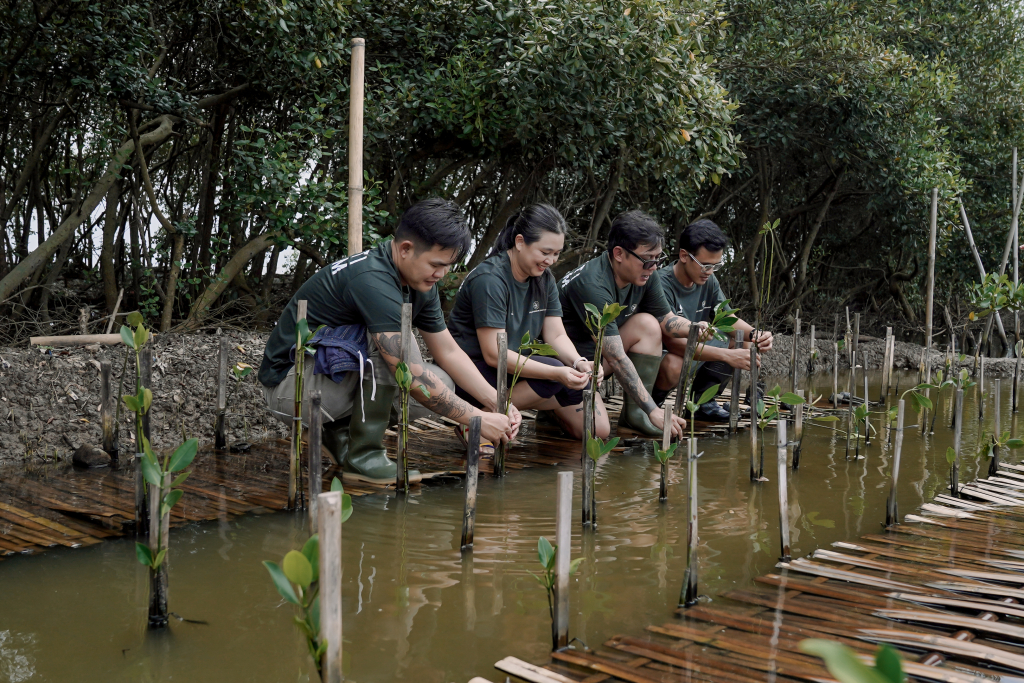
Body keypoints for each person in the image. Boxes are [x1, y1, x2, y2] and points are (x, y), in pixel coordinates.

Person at [258, 198, 521, 484]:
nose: (442, 274)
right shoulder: (373, 279)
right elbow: (414, 380)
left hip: (327, 380)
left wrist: (496, 401)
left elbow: (447, 351)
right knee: (398, 348)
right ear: (406, 249)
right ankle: (364, 456)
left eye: (448, 266)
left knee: (442, 381)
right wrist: (476, 419)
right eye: (436, 264)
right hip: (292, 389)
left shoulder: (419, 280)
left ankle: (339, 434)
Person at [449, 204, 607, 440]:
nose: (551, 260)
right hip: (474, 371)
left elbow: (556, 336)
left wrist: (579, 362)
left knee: (596, 426)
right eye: (545, 252)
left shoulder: (544, 279)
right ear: (520, 242)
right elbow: (494, 354)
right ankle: (478, 419)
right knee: (554, 372)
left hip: (513, 368)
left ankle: (496, 415)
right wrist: (557, 374)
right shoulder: (490, 279)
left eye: (556, 253)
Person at [558, 210, 706, 438]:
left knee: (647, 324)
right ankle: (553, 411)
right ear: (619, 253)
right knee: (598, 432)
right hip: (569, 367)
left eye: (659, 259)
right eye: (648, 259)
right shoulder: (593, 285)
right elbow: (616, 356)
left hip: (597, 364)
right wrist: (653, 409)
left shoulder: (645, 272)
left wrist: (695, 328)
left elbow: (665, 319)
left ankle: (635, 417)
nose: (654, 266)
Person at [653, 218, 773, 421]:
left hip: (696, 349)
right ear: (684, 256)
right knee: (675, 365)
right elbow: (675, 344)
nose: (710, 272)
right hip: (667, 356)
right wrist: (725, 355)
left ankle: (702, 402)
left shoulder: (708, 279)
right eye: (705, 265)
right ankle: (652, 405)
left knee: (743, 340)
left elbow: (727, 319)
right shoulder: (660, 283)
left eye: (716, 266)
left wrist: (755, 334)